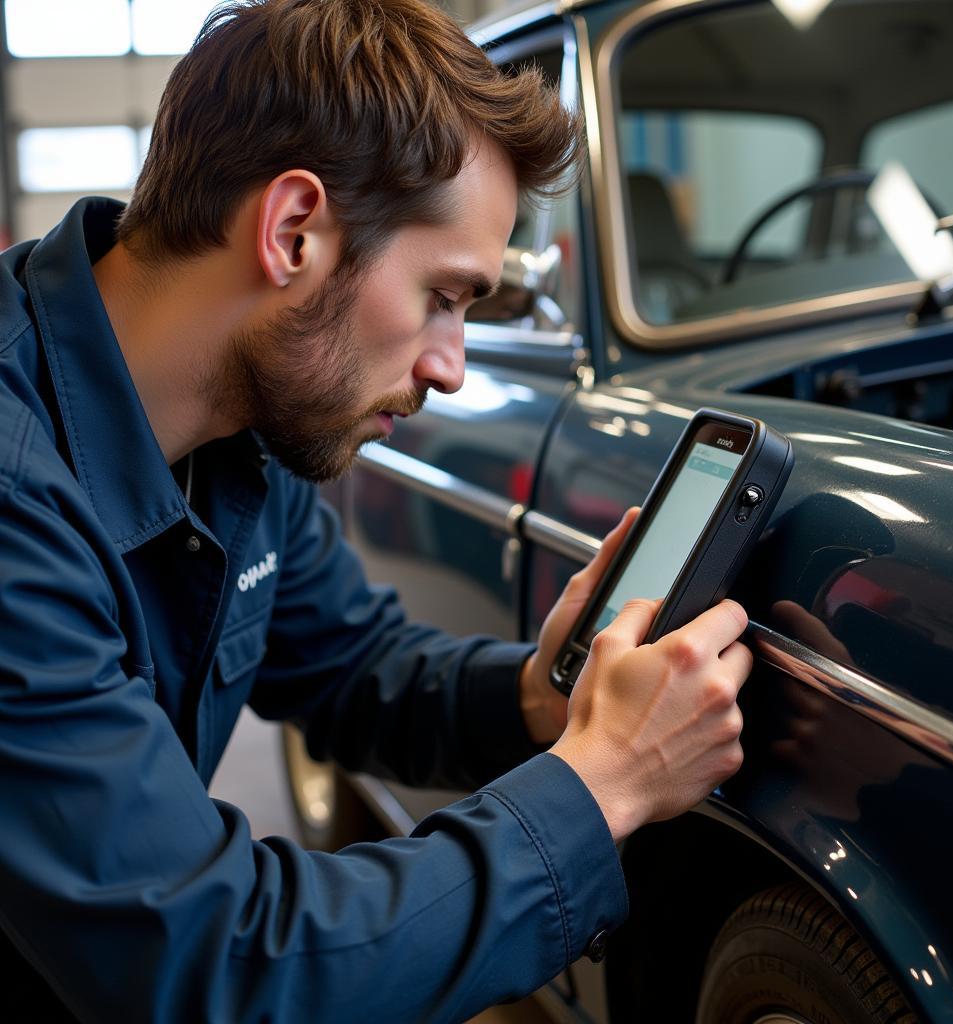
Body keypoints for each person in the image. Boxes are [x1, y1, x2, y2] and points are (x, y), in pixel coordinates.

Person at [0, 0, 751, 1020]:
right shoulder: (14, 499)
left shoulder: (238, 436)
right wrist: (601, 785)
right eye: (444, 296)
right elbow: (214, 960)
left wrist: (538, 694)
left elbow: (352, 667)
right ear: (293, 229)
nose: (448, 367)